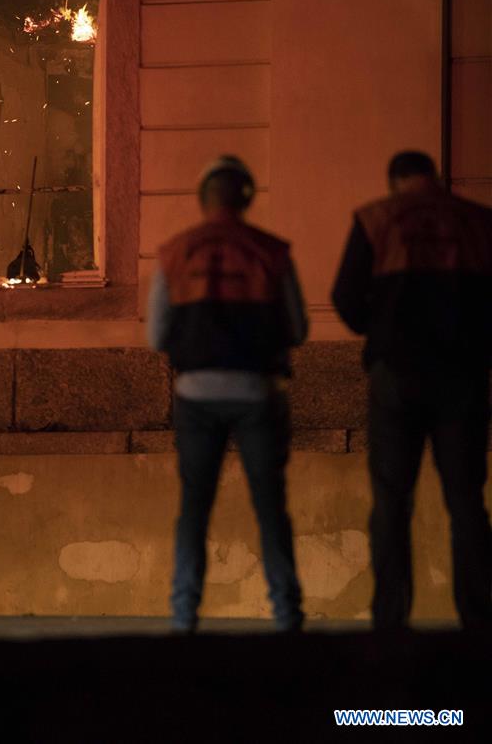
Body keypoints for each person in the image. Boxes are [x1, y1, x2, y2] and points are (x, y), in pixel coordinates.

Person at [332, 150, 492, 630]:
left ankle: (390, 619)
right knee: (466, 500)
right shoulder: (478, 221)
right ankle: (479, 619)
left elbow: (344, 297)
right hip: (461, 377)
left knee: (391, 501)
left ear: (394, 181)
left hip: (396, 376)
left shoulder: (375, 218)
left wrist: (378, 330)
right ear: (434, 178)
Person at [147, 155, 308, 633]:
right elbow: (297, 328)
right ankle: (287, 615)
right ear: (247, 198)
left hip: (195, 395)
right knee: (270, 506)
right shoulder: (272, 252)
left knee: (194, 506)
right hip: (258, 392)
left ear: (203, 200)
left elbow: (157, 336)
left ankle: (184, 616)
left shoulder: (175, 252)